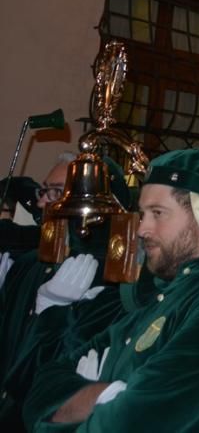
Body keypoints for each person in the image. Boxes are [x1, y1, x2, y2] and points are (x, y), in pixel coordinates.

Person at [22, 148, 199, 432]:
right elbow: (39, 390)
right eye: (142, 213)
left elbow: (132, 423)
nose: (142, 228)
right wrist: (104, 395)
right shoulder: (164, 293)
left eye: (158, 213)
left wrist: (79, 401)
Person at [0, 156, 133, 433]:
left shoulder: (113, 280)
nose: (43, 203)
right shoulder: (28, 264)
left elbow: (51, 377)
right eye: (45, 191)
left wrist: (52, 313)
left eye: (58, 193)